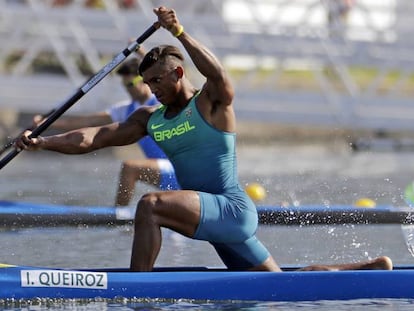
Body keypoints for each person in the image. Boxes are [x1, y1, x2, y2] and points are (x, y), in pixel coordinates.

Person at [15, 6, 393, 272]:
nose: (152, 90)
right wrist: (43, 142)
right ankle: (368, 268)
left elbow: (220, 74)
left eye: (157, 82)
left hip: (230, 209)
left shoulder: (211, 104)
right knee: (279, 285)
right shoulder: (150, 118)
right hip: (213, 217)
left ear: (178, 73)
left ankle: (136, 293)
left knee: (150, 205)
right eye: (147, 84)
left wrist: (179, 32)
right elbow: (95, 138)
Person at [32, 53, 180, 207]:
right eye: (125, 86)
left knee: (130, 167)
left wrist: (142, 53)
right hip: (166, 174)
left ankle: (117, 214)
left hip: (178, 168)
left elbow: (167, 73)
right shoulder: (125, 109)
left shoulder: (161, 100)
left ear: (143, 80)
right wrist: (47, 123)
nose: (128, 90)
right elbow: (89, 121)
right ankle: (120, 216)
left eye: (130, 84)